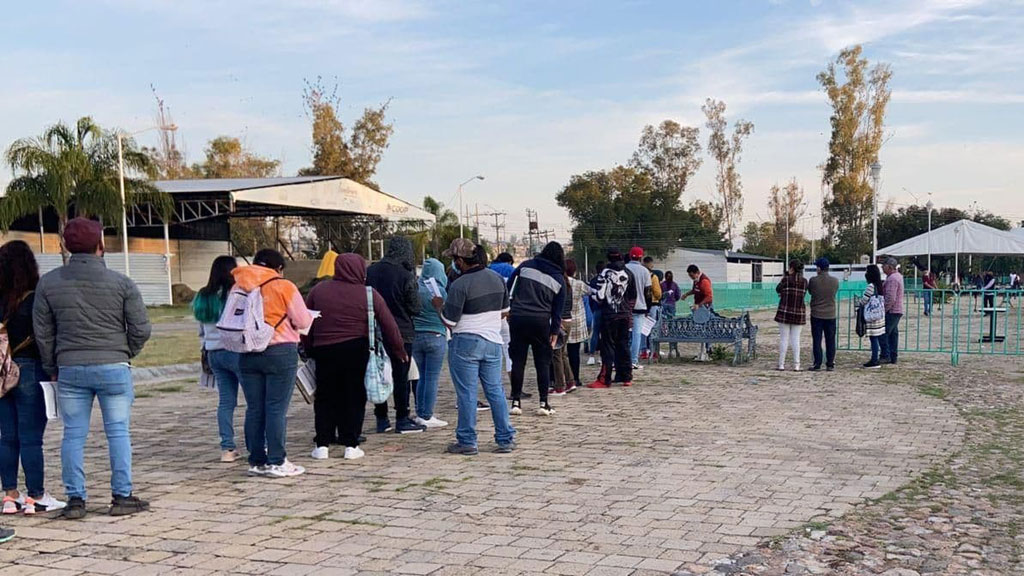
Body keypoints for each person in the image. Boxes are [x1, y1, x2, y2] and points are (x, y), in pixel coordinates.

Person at [33, 218, 151, 519]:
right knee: (118, 432)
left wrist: (52, 366)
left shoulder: (48, 283)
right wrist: (125, 352)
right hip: (114, 365)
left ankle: (76, 499)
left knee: (73, 434)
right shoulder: (122, 283)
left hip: (70, 367)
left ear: (66, 246)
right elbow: (141, 328)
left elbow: (43, 333)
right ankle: (121, 495)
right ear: (101, 245)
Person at [304, 253, 406, 460]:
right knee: (354, 396)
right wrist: (399, 350)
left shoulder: (318, 291)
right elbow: (389, 325)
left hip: (324, 350)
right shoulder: (369, 294)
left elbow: (307, 323)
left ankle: (322, 444)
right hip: (356, 350)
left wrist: (307, 349)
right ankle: (350, 444)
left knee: (325, 397)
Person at [231, 249, 314, 478]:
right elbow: (302, 319)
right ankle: (277, 460)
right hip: (279, 350)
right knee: (276, 407)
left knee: (255, 408)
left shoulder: (239, 284)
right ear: (278, 268)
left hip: (247, 351)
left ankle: (257, 461)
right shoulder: (283, 286)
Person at [0, 241, 65, 515]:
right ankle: (36, 495)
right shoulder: (36, 298)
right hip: (29, 369)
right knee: (30, 438)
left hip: (2, 372)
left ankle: (10, 495)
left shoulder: (1, 300)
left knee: (7, 437)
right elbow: (45, 336)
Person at [434, 240, 515, 455]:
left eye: (454, 260)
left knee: (467, 394)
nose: (454, 263)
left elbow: (449, 321)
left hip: (465, 342)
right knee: (495, 391)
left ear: (460, 261)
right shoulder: (497, 279)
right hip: (493, 342)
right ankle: (505, 438)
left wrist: (438, 306)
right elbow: (504, 311)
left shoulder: (460, 284)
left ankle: (467, 441)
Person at [367, 237, 425, 434]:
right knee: (401, 376)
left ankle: (381, 418)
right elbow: (416, 307)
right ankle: (402, 417)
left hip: (375, 331)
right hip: (402, 332)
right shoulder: (405, 275)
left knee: (378, 373)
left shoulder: (371, 271)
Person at [192, 255, 244, 463]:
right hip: (236, 351)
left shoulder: (203, 295)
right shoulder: (236, 293)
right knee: (254, 400)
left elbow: (201, 330)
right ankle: (259, 443)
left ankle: (227, 448)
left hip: (213, 353)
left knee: (226, 401)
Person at [506, 242, 566, 416]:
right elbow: (557, 311)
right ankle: (543, 402)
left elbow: (509, 288)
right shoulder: (559, 278)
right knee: (542, 363)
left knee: (518, 361)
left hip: (518, 318)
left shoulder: (525, 266)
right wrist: (554, 332)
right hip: (541, 321)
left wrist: (510, 309)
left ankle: (516, 402)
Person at [588, 248, 638, 388]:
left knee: (608, 346)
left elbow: (600, 296)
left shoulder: (605, 273)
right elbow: (633, 296)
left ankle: (605, 378)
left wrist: (591, 294)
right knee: (623, 345)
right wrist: (628, 311)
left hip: (609, 315)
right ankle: (626, 376)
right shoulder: (628, 273)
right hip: (624, 314)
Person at [412, 258, 450, 428]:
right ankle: (427, 414)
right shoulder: (440, 291)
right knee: (432, 378)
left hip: (415, 336)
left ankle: (419, 411)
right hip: (436, 335)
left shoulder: (414, 289)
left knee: (420, 377)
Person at [775, 259, 808, 371]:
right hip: (798, 312)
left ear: (792, 268)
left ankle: (781, 364)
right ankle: (796, 365)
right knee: (796, 339)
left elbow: (778, 289)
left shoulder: (785, 279)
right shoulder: (805, 282)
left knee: (784, 339)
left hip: (784, 311)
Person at [807, 258, 839, 372]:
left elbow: (810, 292)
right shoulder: (835, 281)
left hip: (816, 314)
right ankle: (830, 363)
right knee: (830, 340)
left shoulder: (813, 280)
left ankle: (817, 363)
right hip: (830, 314)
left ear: (819, 268)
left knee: (817, 339)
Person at [563, 259, 590, 392]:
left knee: (560, 353)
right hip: (577, 322)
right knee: (574, 352)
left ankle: (560, 378)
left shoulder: (560, 282)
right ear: (574, 270)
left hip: (562, 320)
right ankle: (576, 378)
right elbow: (592, 292)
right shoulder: (579, 284)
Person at [625, 247, 652, 368]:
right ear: (641, 257)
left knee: (624, 335)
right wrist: (648, 308)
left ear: (630, 256)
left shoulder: (624, 269)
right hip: (640, 307)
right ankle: (633, 361)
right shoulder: (645, 271)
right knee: (637, 335)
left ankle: (622, 360)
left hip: (625, 307)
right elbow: (648, 292)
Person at [681, 264, 714, 359]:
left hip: (705, 308)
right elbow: (695, 290)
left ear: (696, 273)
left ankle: (708, 348)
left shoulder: (704, 281)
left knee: (707, 327)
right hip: (698, 307)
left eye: (691, 275)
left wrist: (699, 305)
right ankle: (703, 349)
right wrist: (687, 294)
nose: (691, 278)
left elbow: (709, 296)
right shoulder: (696, 281)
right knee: (700, 327)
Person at [860, 265, 887, 368]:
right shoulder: (879, 285)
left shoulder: (871, 286)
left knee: (873, 338)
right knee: (877, 337)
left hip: (872, 316)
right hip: (879, 315)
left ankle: (874, 360)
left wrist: (860, 304)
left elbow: (865, 300)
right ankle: (876, 358)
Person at [881, 257, 904, 365]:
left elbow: (890, 297)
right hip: (897, 309)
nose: (882, 267)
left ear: (889, 267)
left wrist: (884, 310)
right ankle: (893, 355)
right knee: (893, 334)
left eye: (883, 265)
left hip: (892, 310)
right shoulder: (898, 276)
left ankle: (886, 355)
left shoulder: (892, 279)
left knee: (884, 333)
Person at [639, 256, 662, 361]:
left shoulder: (639, 275)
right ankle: (652, 350)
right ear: (650, 264)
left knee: (642, 329)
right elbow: (658, 293)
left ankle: (643, 351)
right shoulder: (653, 277)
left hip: (640, 305)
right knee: (652, 328)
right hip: (652, 305)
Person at [586, 261, 605, 366]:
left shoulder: (592, 281)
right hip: (606, 310)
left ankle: (592, 355)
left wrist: (593, 308)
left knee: (595, 333)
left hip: (596, 309)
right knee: (605, 334)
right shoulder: (607, 280)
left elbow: (590, 297)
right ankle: (602, 357)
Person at [659, 271, 681, 358]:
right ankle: (673, 348)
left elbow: (660, 295)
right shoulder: (674, 285)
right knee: (672, 326)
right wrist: (673, 299)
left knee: (663, 325)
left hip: (664, 305)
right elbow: (678, 295)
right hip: (672, 305)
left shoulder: (662, 285)